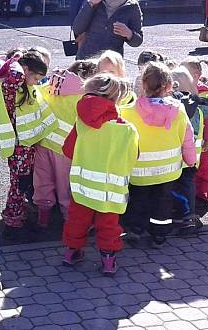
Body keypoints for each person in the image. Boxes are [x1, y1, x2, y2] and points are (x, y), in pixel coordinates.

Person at [61, 73, 139, 276]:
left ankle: (71, 253)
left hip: (82, 186)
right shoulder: (126, 129)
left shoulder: (82, 122)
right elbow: (133, 157)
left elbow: (68, 149)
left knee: (77, 220)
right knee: (108, 225)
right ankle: (108, 260)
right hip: (110, 189)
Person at [122, 62, 196, 248]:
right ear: (170, 86)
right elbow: (187, 138)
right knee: (163, 204)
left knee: (138, 200)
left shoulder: (129, 111)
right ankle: (159, 235)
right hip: (168, 171)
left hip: (139, 171)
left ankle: (136, 230)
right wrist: (191, 160)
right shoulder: (178, 110)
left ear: (143, 84)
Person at [0, 49, 56, 241]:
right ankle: (12, 223)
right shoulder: (12, 86)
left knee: (21, 184)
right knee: (19, 185)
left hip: (25, 147)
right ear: (26, 70)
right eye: (36, 77)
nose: (37, 82)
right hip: (18, 147)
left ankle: (18, 216)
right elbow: (14, 74)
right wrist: (17, 59)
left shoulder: (23, 88)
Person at [33, 59, 98, 228]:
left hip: (43, 143)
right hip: (65, 150)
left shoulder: (52, 88)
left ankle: (43, 214)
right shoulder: (83, 99)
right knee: (65, 186)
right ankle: (70, 218)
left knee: (43, 180)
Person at [180, 57, 208, 217]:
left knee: (203, 169)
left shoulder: (205, 96)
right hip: (191, 142)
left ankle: (204, 195)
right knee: (191, 169)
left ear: (195, 75)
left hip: (201, 142)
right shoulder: (186, 92)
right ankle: (193, 195)